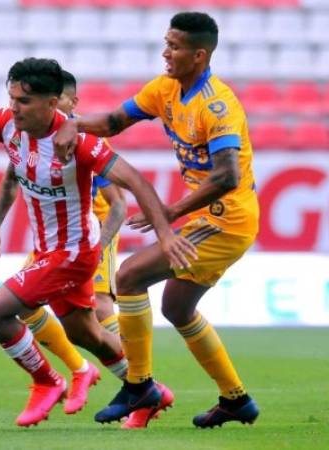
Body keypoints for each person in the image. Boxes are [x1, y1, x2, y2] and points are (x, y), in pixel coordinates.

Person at [0, 57, 196, 427]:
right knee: (86, 333)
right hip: (48, 248)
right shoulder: (7, 125)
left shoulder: (81, 143)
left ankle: (47, 381)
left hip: (74, 253)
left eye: (23, 101)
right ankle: (146, 389)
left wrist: (165, 234)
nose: (14, 107)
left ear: (52, 102)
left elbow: (136, 181)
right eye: (11, 98)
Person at [53, 12, 260, 429]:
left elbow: (226, 176)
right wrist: (69, 125)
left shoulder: (217, 105)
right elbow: (114, 123)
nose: (166, 52)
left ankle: (139, 384)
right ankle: (236, 399)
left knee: (129, 277)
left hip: (226, 219)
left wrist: (170, 212)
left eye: (175, 46)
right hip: (206, 216)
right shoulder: (165, 89)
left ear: (199, 55)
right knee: (177, 308)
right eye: (165, 43)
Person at [0, 69, 174, 417]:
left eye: (70, 104)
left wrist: (100, 247)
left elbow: (118, 203)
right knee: (52, 317)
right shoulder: (28, 137)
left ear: (70, 102)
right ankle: (110, 378)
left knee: (98, 312)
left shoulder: (82, 142)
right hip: (51, 241)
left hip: (89, 237)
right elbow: (13, 176)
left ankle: (136, 383)